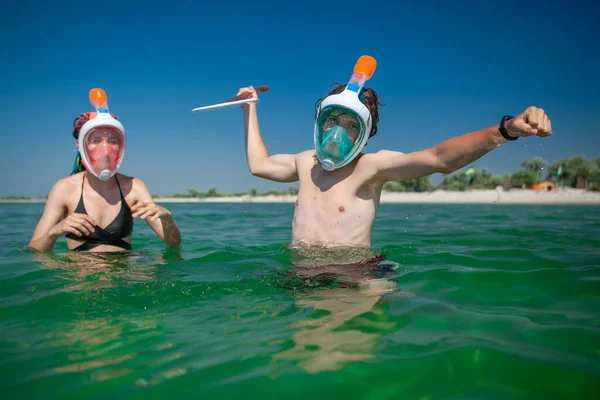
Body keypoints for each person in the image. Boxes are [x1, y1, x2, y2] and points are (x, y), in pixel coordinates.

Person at [237, 55, 552, 248]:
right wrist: (249, 107)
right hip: (301, 273)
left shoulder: (372, 168)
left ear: (365, 132)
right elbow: (259, 164)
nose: (335, 131)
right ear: (319, 121)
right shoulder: (304, 162)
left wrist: (505, 130)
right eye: (331, 120)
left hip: (353, 274)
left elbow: (439, 159)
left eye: (349, 124)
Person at [28, 88, 181, 252]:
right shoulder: (64, 189)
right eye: (94, 140)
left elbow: (174, 244)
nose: (105, 148)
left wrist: (167, 219)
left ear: (121, 145)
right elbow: (34, 250)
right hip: (81, 274)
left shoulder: (134, 187)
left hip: (125, 273)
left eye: (113, 140)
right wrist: (56, 231)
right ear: (80, 144)